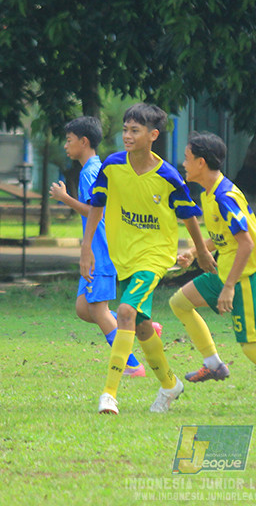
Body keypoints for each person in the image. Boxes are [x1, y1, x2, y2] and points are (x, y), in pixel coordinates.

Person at [81, 103, 216, 414]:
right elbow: (96, 206)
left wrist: (201, 251)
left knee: (125, 311)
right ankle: (170, 385)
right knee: (140, 326)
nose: (127, 135)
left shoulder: (168, 176)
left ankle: (109, 394)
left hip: (154, 257)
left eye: (135, 131)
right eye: (125, 129)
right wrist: (86, 247)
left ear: (153, 135)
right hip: (122, 256)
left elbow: (189, 216)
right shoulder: (112, 166)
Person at [171, 132, 256, 413]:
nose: (183, 164)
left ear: (201, 162)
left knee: (251, 346)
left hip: (242, 278)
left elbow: (247, 243)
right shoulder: (209, 193)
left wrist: (229, 286)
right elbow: (224, 236)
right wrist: (196, 252)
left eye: (187, 158)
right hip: (225, 274)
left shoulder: (224, 196)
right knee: (179, 303)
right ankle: (213, 365)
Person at [49, 116, 147, 378]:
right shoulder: (93, 169)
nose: (66, 146)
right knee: (84, 308)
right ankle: (135, 326)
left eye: (69, 141)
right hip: (96, 249)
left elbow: (97, 211)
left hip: (100, 251)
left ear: (84, 142)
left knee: (98, 310)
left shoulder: (91, 171)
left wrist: (65, 198)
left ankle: (132, 365)